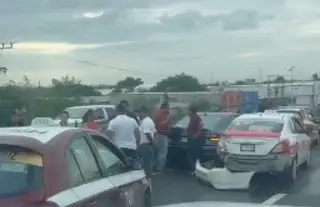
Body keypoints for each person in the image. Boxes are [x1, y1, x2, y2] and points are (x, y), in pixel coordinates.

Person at [137, 106, 156, 178]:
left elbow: (147, 133)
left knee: (147, 165)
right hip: (145, 146)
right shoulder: (145, 121)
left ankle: (148, 180)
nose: (139, 114)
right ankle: (147, 178)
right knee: (146, 164)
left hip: (146, 146)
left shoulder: (146, 121)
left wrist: (152, 143)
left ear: (144, 112)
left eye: (140, 112)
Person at [153, 102, 171, 171]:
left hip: (158, 135)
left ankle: (156, 166)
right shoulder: (162, 115)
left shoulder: (158, 114)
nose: (169, 109)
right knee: (162, 152)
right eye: (168, 108)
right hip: (162, 135)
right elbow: (161, 125)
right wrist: (167, 120)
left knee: (158, 152)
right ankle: (160, 167)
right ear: (165, 108)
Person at [186, 106, 203, 175]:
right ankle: (193, 169)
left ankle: (195, 170)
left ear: (191, 111)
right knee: (191, 154)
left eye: (188, 111)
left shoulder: (195, 117)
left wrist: (196, 135)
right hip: (191, 138)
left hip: (195, 139)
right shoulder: (192, 118)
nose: (187, 112)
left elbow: (201, 126)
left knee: (193, 155)